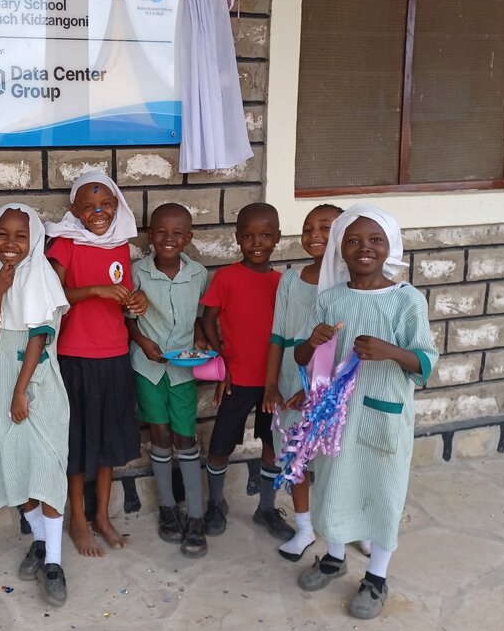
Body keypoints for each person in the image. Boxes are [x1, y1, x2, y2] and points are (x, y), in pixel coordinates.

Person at [294, 204, 437, 619]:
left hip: (382, 414)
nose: (364, 248)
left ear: (391, 245)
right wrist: (311, 342)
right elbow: (302, 359)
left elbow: (426, 362)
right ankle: (334, 557)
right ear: (340, 249)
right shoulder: (331, 299)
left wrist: (391, 351)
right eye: (353, 240)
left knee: (382, 490)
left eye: (375, 239)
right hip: (336, 417)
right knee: (334, 484)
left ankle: (376, 577)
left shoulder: (406, 300)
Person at [45, 172, 148, 557]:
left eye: (105, 204)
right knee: (76, 443)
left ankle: (102, 517)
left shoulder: (120, 245)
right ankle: (78, 519)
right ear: (75, 210)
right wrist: (93, 291)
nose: (98, 212)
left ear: (117, 206)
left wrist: (137, 301)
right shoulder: (65, 243)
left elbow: (124, 294)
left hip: (115, 354)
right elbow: (52, 295)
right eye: (88, 207)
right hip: (75, 357)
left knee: (108, 442)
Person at [0, 204, 72, 606]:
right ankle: (39, 540)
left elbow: (38, 338)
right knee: (16, 466)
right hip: (3, 380)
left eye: (21, 235)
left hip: (35, 385)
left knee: (47, 468)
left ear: (34, 239)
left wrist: (20, 391)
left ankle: (53, 563)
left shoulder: (41, 275)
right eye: (3, 234)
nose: (11, 243)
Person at [200, 202, 294, 541]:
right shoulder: (226, 277)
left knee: (271, 443)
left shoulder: (284, 283)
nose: (257, 243)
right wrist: (222, 362)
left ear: (277, 238)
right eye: (249, 236)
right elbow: (208, 321)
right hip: (237, 378)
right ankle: (216, 503)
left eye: (265, 236)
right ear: (237, 238)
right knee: (221, 444)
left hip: (273, 382)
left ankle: (266, 508)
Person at [127, 203, 210, 558]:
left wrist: (202, 341)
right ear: (150, 235)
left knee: (185, 437)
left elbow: (202, 318)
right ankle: (167, 507)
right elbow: (127, 317)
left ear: (188, 238)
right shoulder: (137, 272)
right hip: (148, 367)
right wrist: (142, 341)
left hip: (183, 368)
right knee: (159, 435)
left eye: (177, 233)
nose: (168, 239)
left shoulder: (198, 274)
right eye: (161, 232)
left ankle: (196, 515)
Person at [262, 203, 343, 561]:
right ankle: (305, 527)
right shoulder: (291, 281)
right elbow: (277, 336)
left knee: (334, 460)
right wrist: (270, 386)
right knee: (296, 455)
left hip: (331, 385)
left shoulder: (349, 284)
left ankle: (345, 526)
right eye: (308, 228)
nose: (314, 235)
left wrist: (314, 388)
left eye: (325, 228)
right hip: (288, 379)